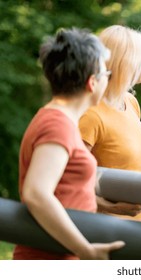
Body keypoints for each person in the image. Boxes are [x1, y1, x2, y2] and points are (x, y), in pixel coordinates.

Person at [13, 28, 125, 260]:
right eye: (107, 74)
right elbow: (36, 193)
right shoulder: (57, 125)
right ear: (92, 82)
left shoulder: (60, 121)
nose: (108, 79)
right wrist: (84, 249)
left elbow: (64, 188)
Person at [79, 25, 141, 222]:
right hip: (103, 229)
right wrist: (113, 208)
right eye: (140, 57)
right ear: (124, 63)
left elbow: (133, 165)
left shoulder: (130, 102)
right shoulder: (90, 113)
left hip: (137, 230)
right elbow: (69, 182)